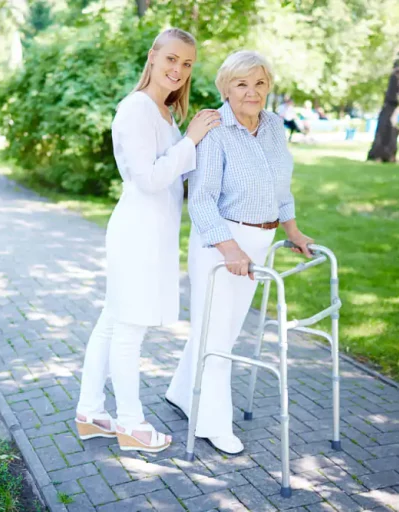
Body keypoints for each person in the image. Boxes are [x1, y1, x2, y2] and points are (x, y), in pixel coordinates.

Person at [74, 28, 221, 453]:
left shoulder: (165, 113)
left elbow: (175, 175)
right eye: (171, 58)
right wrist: (192, 139)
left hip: (152, 234)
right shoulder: (136, 108)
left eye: (187, 63)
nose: (178, 69)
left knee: (112, 321)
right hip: (137, 233)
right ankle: (131, 424)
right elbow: (150, 178)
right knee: (129, 329)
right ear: (153, 57)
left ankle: (89, 411)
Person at [166, 50, 313, 455]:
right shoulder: (215, 129)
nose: (252, 92)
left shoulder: (274, 126)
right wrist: (229, 249)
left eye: (260, 83)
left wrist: (294, 231)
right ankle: (213, 423)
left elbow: (279, 187)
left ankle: (182, 392)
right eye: (242, 84)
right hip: (221, 244)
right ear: (226, 89)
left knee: (223, 331)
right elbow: (201, 199)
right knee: (218, 336)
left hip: (258, 243)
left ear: (268, 87)